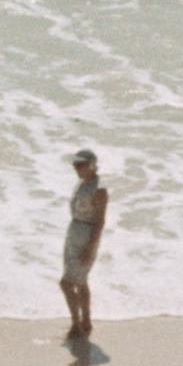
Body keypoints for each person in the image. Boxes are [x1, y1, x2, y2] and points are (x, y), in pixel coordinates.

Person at [58, 148, 110, 353]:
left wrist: (89, 248)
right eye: (75, 165)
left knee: (66, 283)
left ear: (92, 165)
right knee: (80, 281)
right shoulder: (83, 184)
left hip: (87, 235)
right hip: (75, 232)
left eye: (81, 165)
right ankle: (86, 322)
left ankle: (76, 324)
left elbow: (99, 222)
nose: (77, 169)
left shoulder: (99, 189)